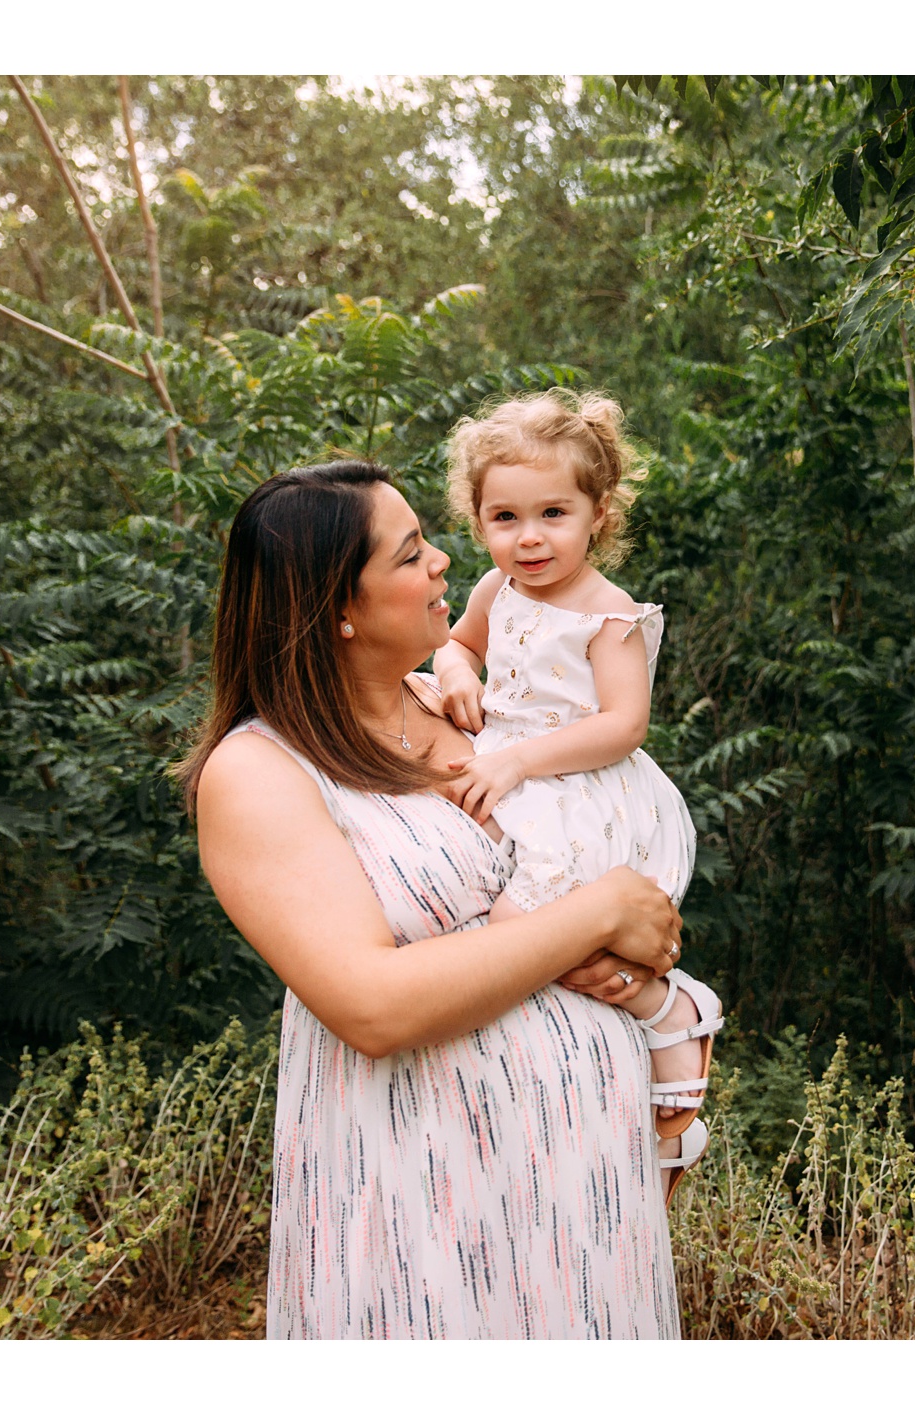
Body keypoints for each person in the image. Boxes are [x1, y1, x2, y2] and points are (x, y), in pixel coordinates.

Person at [180, 459, 685, 1338]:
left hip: (586, 1193)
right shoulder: (258, 772)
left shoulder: (471, 711)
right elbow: (372, 1004)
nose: (445, 561)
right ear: (336, 607)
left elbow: (590, 832)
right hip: (425, 1200)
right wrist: (598, 914)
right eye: (411, 553)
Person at [432, 390, 721, 1197]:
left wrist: (521, 760)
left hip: (581, 790)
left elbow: (625, 724)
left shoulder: (610, 615)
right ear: (479, 519)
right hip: (514, 774)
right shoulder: (497, 590)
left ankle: (670, 1012)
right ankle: (636, 1041)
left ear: (598, 512)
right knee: (528, 944)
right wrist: (456, 672)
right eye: (504, 517)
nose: (528, 538)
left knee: (517, 932)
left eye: (553, 513)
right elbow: (455, 643)